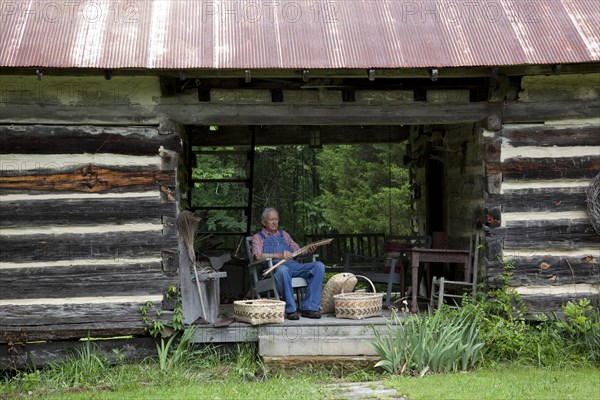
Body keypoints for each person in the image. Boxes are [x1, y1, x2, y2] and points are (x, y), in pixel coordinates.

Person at [252, 207, 325, 320]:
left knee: (318, 266)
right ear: (264, 222)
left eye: (276, 219)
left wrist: (308, 250)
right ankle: (290, 310)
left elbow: (298, 251)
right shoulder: (258, 237)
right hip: (275, 269)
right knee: (283, 270)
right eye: (271, 219)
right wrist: (278, 255)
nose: (274, 222)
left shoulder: (284, 235)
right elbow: (257, 256)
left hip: (293, 266)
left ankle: (310, 307)